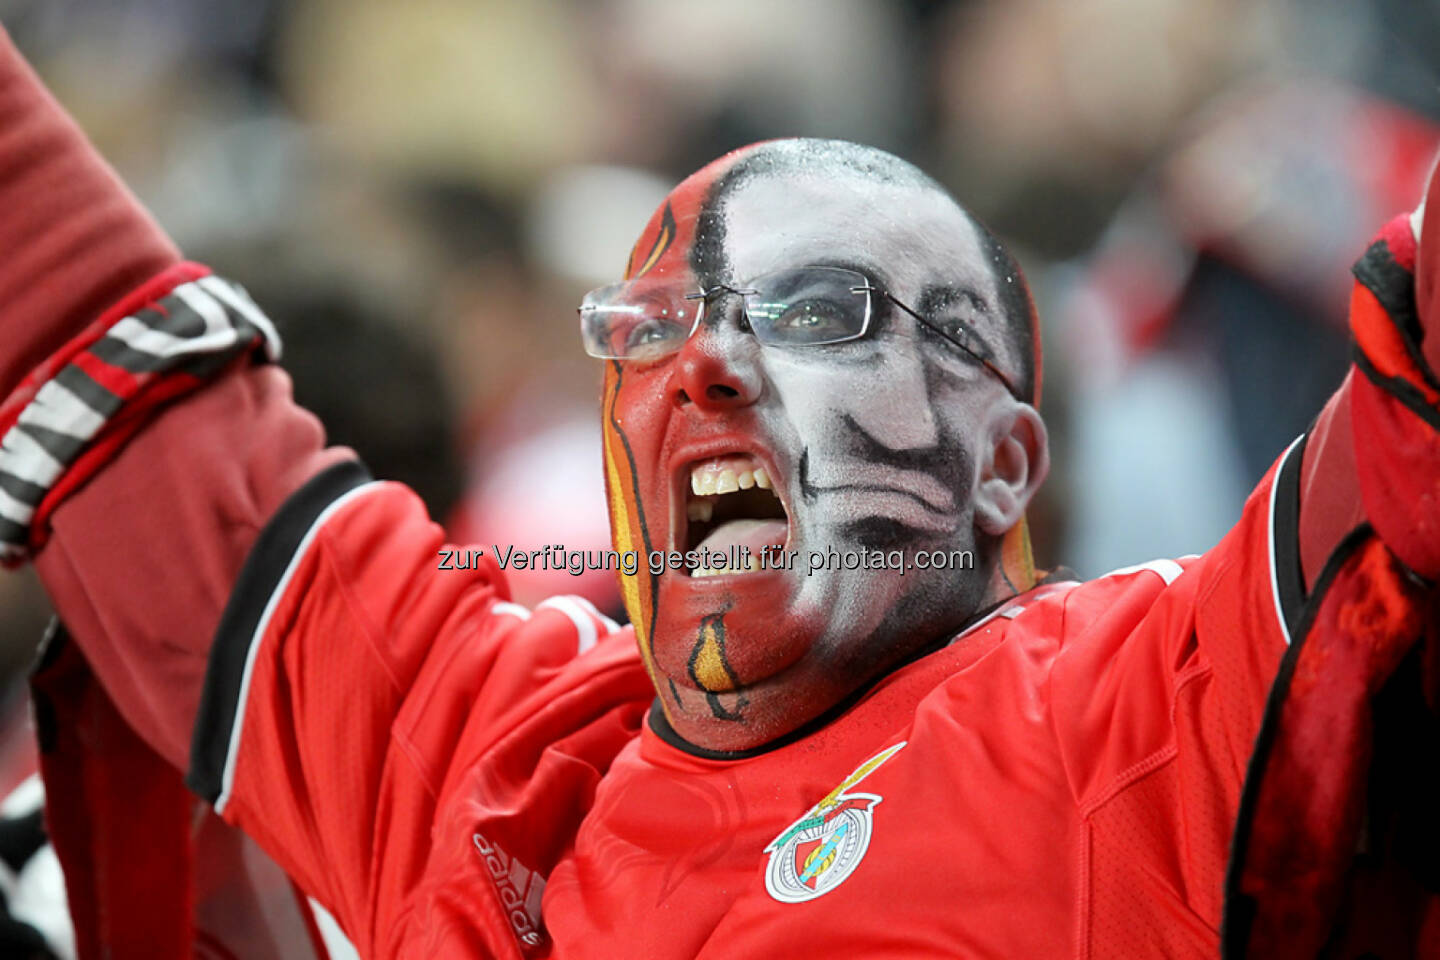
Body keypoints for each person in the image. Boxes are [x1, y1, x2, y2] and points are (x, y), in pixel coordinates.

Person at [2, 26, 1438, 959]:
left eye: (819, 316)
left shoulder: (1150, 710)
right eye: (645, 330)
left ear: (1007, 462)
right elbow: (115, 375)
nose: (706, 364)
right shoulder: (493, 755)